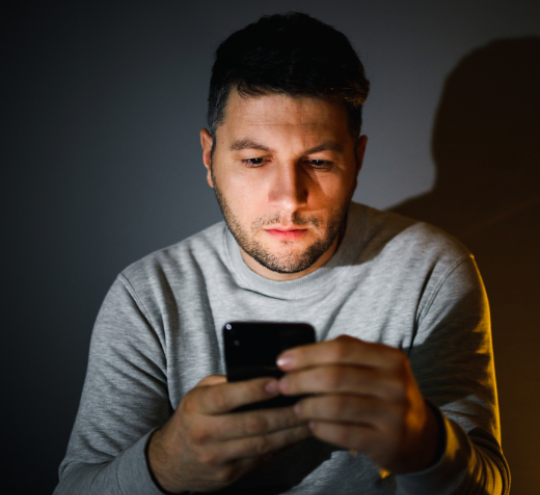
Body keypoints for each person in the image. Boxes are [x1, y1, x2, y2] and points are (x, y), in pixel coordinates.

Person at [54, 12, 510, 495]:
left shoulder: (432, 271)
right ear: (210, 159)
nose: (289, 197)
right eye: (255, 160)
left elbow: (494, 484)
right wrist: (166, 463)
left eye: (317, 161)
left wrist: (427, 444)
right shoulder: (148, 295)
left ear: (357, 160)